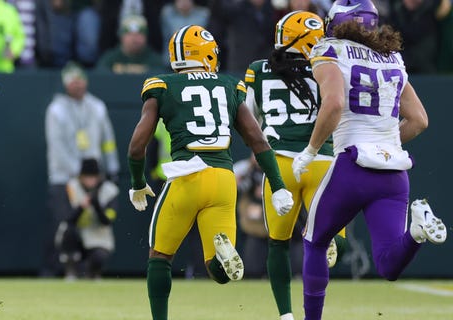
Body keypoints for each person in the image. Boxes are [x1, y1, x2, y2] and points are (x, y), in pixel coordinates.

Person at [291, 1, 447, 319]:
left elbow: (333, 104)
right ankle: (417, 233)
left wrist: (310, 150)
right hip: (393, 171)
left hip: (353, 165)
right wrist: (383, 143)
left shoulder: (330, 49)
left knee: (315, 240)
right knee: (389, 264)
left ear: (337, 22)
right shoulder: (392, 58)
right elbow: (419, 120)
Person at [127, 25, 294, 320]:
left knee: (160, 258)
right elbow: (257, 139)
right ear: (206, 54)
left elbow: (137, 146)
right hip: (222, 179)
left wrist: (138, 182)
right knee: (218, 272)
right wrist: (278, 184)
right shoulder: (230, 84)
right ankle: (223, 253)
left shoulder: (162, 85)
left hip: (186, 176)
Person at [243, 11, 348, 320]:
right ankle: (332, 240)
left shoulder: (257, 70)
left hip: (279, 165)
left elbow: (249, 120)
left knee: (277, 244)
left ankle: (285, 315)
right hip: (321, 161)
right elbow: (340, 109)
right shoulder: (328, 67)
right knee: (322, 237)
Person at [43, 61, 120, 277]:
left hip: (94, 179)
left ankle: (91, 268)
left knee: (96, 222)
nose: (77, 85)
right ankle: (55, 270)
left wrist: (111, 167)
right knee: (63, 223)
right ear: (65, 84)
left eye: (80, 80)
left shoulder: (97, 106)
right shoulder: (56, 110)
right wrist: (79, 174)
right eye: (72, 81)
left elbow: (108, 141)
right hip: (64, 177)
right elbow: (57, 146)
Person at [55, 158, 119, 280]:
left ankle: (93, 273)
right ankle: (71, 272)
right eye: (87, 177)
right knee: (68, 231)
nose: (90, 180)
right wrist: (81, 207)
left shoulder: (110, 191)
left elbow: (108, 220)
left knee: (99, 257)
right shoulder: (71, 187)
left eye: (93, 177)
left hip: (98, 236)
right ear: (81, 177)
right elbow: (66, 217)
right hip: (77, 234)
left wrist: (96, 205)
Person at [96, 14, 164, 74]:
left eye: (139, 34)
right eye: (130, 34)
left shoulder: (155, 60)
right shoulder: (109, 59)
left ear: (146, 37)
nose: (134, 38)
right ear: (121, 36)